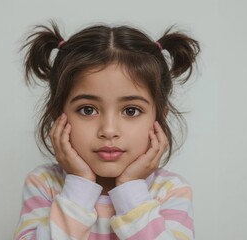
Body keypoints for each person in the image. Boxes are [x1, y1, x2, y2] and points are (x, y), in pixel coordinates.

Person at [14, 21, 200, 240]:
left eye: (131, 111)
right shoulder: (45, 184)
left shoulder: (170, 191)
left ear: (158, 119)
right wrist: (79, 185)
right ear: (58, 117)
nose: (109, 130)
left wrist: (130, 189)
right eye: (87, 109)